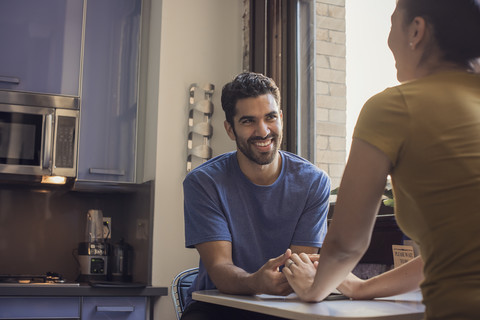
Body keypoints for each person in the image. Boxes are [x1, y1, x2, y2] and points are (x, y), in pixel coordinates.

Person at [283, 0, 480, 319]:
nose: (388, 40)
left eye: (391, 25)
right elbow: (454, 247)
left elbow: (346, 244)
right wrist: (360, 287)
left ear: (416, 30)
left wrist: (313, 289)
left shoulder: (394, 107)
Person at [181, 72, 331, 320]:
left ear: (281, 118)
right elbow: (220, 269)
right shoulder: (203, 182)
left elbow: (295, 271)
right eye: (248, 121)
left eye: (270, 117)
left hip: (284, 307)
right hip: (217, 308)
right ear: (230, 129)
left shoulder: (314, 183)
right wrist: (255, 282)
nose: (263, 131)